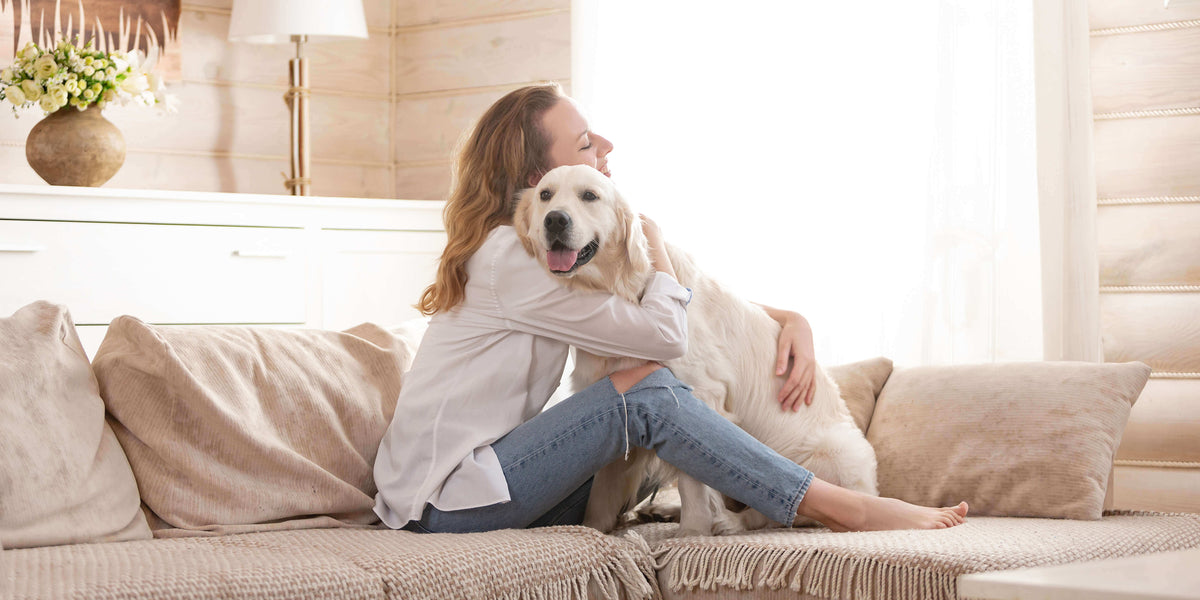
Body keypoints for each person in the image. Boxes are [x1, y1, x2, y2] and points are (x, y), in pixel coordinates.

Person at [372, 82, 968, 534]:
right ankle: (842, 505)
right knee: (647, 390)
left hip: (487, 480)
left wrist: (792, 320)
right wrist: (655, 251)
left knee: (636, 445)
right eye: (584, 144)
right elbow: (664, 334)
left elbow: (690, 303)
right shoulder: (512, 259)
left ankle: (713, 508)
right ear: (538, 179)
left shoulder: (542, 254)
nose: (605, 146)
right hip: (445, 499)